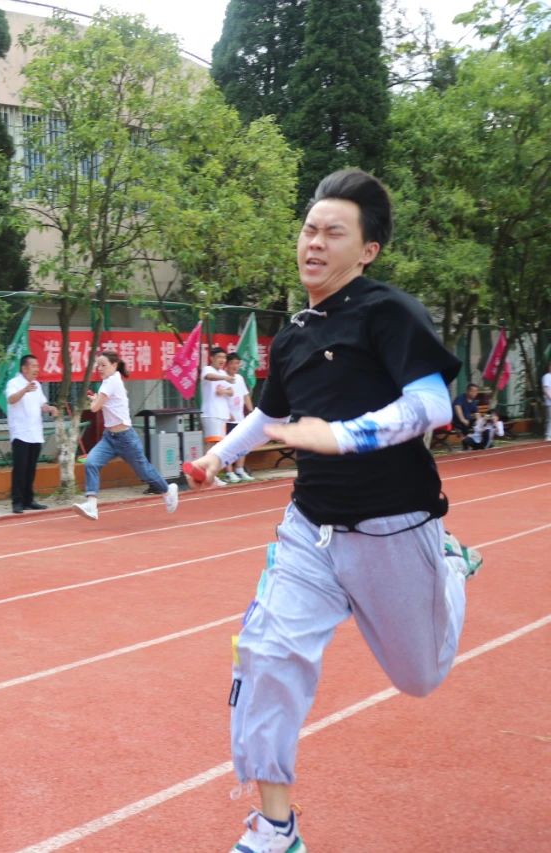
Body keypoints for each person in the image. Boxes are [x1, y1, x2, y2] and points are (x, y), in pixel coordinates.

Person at [184, 169, 482, 853]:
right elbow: (270, 417)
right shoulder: (294, 334)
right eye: (309, 229)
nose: (314, 243)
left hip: (395, 526)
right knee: (265, 654)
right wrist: (216, 456)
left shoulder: (387, 312)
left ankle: (449, 566)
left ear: (367, 249)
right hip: (309, 529)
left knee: (419, 677)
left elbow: (433, 404)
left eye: (333, 232)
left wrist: (347, 436)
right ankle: (275, 828)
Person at [73, 351, 179, 520]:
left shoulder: (111, 381)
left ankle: (168, 490)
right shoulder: (110, 381)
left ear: (114, 365)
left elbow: (94, 408)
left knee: (144, 472)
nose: (99, 368)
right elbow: (104, 404)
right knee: (91, 462)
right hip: (109, 438)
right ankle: (92, 505)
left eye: (103, 365)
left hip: (126, 438)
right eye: (98, 365)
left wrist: (95, 401)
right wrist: (98, 400)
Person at [6, 353, 58, 514]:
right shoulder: (14, 383)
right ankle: (17, 502)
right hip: (20, 433)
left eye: (37, 366)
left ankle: (29, 500)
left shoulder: (37, 385)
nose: (37, 369)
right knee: (20, 469)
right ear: (24, 368)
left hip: (35, 433)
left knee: (31, 469)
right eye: (33, 366)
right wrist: (25, 390)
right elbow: (11, 399)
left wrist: (50, 408)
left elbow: (42, 404)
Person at [221, 352, 255, 482]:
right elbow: (219, 397)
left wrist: (251, 411)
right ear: (227, 364)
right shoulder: (222, 378)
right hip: (228, 419)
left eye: (237, 363)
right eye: (232, 363)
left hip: (240, 418)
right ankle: (229, 472)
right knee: (229, 446)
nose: (235, 366)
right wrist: (227, 413)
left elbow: (245, 396)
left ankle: (239, 469)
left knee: (244, 444)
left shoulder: (239, 378)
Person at [201, 346, 237, 444]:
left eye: (224, 357)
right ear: (212, 358)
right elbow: (209, 377)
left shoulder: (222, 372)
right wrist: (225, 378)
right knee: (212, 443)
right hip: (211, 414)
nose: (222, 360)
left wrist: (224, 391)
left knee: (221, 445)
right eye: (219, 357)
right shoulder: (207, 369)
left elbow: (231, 392)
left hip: (223, 415)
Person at [451, 383, 492, 450]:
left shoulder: (473, 401)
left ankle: (482, 443)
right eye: (473, 391)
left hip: (468, 422)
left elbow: (476, 413)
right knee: (467, 425)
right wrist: (462, 420)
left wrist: (480, 422)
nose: (475, 393)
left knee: (482, 426)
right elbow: (457, 408)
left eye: (476, 391)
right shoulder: (460, 398)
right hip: (457, 421)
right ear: (468, 391)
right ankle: (467, 443)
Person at [543, 363, 551, 441]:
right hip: (549, 402)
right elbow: (546, 389)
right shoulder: (547, 376)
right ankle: (548, 435)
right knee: (550, 419)